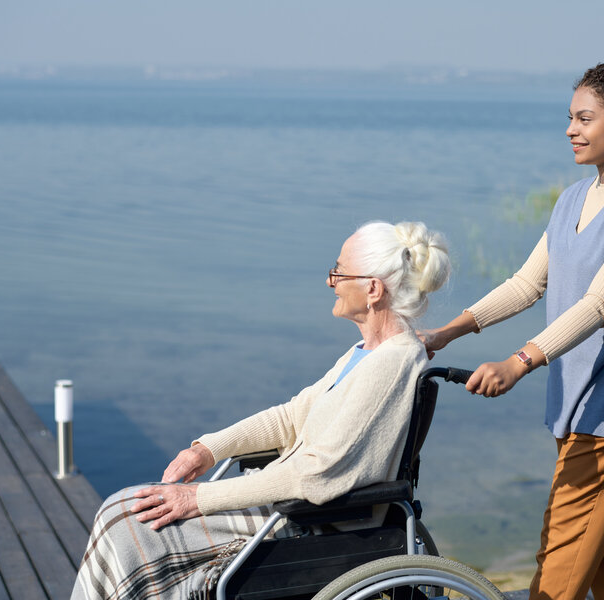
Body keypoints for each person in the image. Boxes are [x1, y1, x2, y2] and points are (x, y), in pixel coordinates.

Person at [420, 64, 604, 600]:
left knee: (562, 556)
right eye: (569, 118)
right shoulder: (572, 198)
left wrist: (519, 360)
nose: (571, 129)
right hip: (577, 394)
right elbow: (527, 283)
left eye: (584, 118)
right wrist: (446, 332)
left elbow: (599, 304)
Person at [72, 221, 451, 600]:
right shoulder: (366, 354)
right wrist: (207, 449)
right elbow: (289, 418)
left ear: (372, 289)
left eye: (338, 272)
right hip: (289, 506)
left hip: (310, 522)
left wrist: (196, 499)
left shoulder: (392, 363)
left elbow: (314, 474)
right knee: (124, 510)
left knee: (128, 521)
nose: (330, 282)